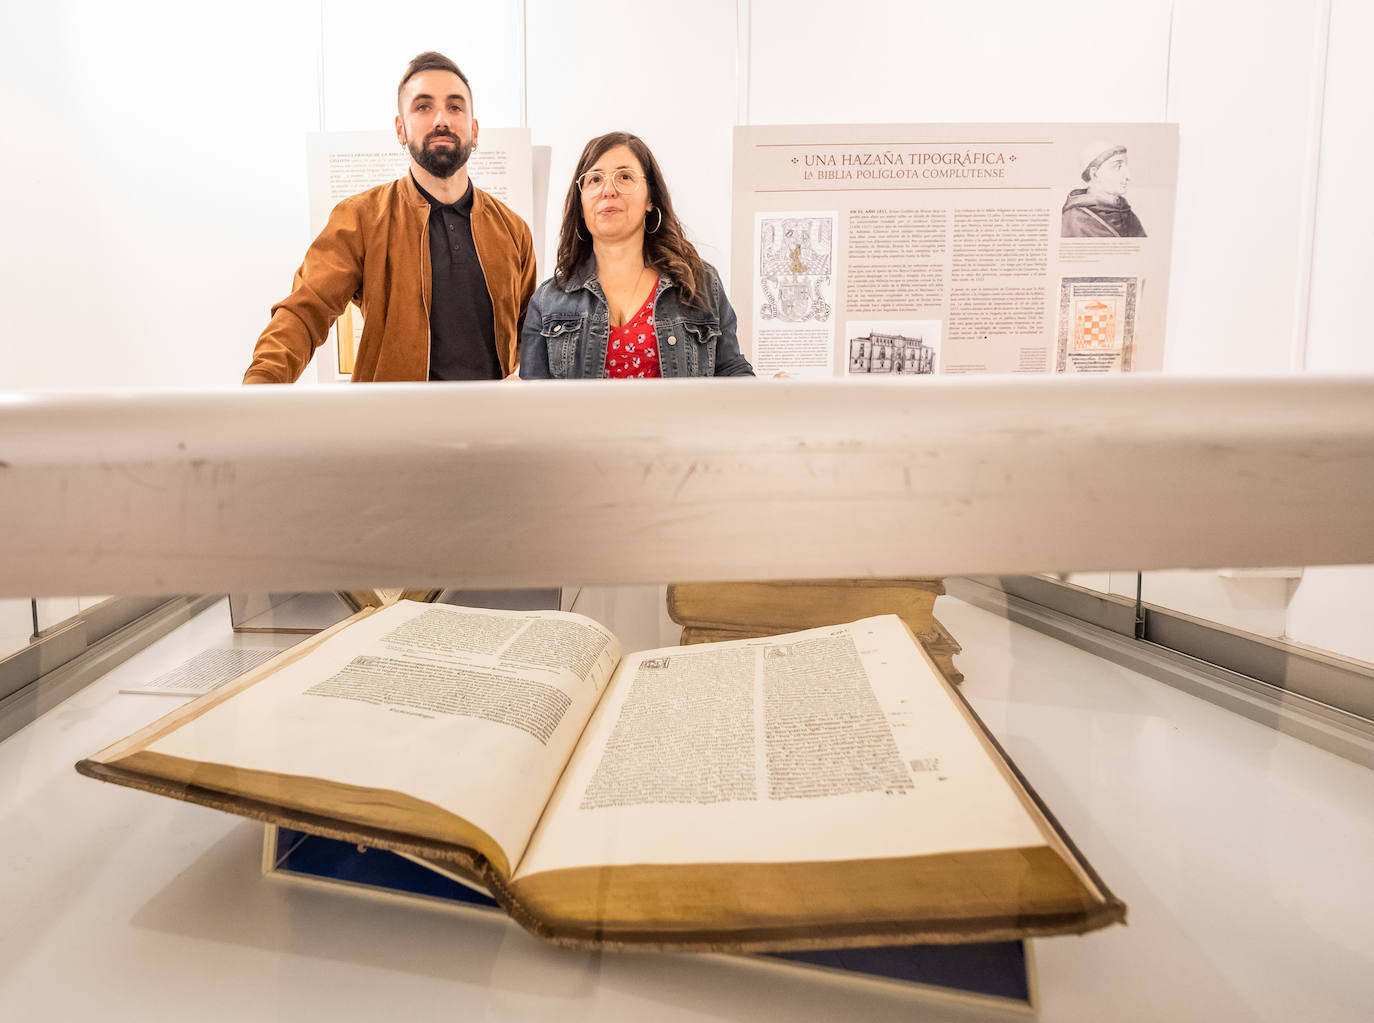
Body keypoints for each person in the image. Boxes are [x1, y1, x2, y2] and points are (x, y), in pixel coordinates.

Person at [244, 51, 537, 383]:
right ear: (400, 129)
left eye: (455, 106)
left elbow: (532, 340)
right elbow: (303, 312)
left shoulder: (514, 230)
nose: (441, 118)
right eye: (423, 106)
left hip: (494, 430)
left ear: (474, 129)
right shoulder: (360, 219)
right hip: (391, 430)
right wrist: (259, 389)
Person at [519, 131, 753, 379]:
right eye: (595, 179)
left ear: (650, 198)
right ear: (581, 202)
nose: (608, 190)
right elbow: (534, 408)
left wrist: (774, 393)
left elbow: (732, 376)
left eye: (625, 177)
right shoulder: (546, 303)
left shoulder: (701, 284)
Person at [1061, 143, 1147, 239]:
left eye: (1126, 166)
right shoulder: (1075, 219)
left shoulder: (1126, 213)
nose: (1128, 176)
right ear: (1094, 174)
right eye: (1117, 167)